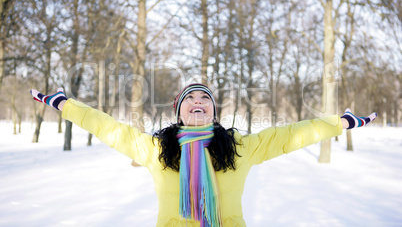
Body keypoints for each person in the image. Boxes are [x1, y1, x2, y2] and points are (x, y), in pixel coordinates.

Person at [30, 83, 377, 227]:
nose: (197, 103)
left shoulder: (240, 148)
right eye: (190, 100)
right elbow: (108, 127)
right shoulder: (157, 150)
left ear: (213, 111)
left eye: (204, 99)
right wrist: (65, 104)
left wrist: (339, 123)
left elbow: (291, 136)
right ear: (179, 112)